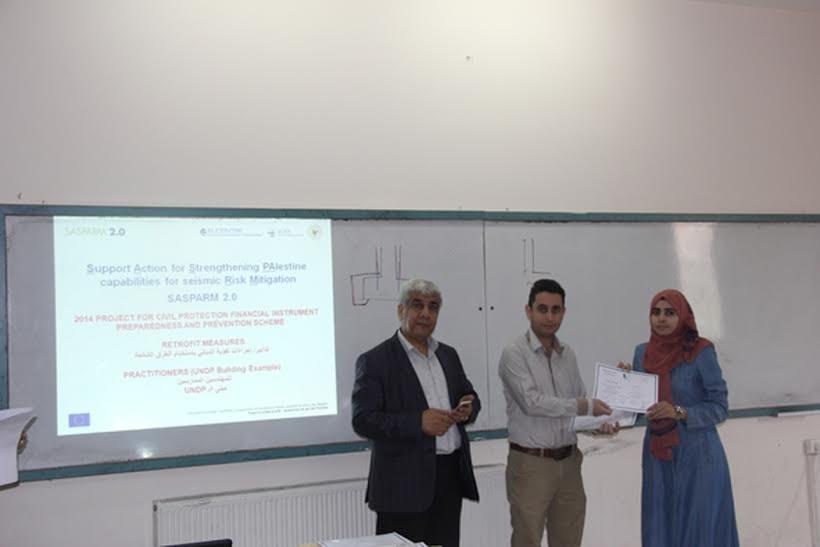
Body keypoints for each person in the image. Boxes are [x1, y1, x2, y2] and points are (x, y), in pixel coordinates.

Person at [351, 278, 480, 547]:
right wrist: (418, 422)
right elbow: (363, 420)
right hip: (401, 487)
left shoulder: (448, 355)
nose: (425, 313)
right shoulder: (375, 360)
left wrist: (467, 409)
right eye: (417, 305)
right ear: (401, 310)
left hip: (448, 479)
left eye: (433, 307)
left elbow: (469, 396)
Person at [498, 278, 613, 547]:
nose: (549, 317)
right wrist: (585, 406)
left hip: (570, 463)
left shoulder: (567, 354)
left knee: (569, 540)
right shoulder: (514, 353)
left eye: (556, 310)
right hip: (531, 465)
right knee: (527, 541)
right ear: (528, 311)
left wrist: (600, 423)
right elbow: (532, 403)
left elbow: (578, 411)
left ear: (563, 312)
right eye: (542, 309)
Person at [625, 289, 739, 547]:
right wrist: (624, 383)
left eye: (669, 313)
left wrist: (678, 412)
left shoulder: (700, 351)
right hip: (658, 457)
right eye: (656, 312)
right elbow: (637, 407)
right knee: (660, 528)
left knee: (700, 530)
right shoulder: (642, 354)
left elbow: (719, 406)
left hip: (699, 455)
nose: (661, 319)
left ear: (683, 316)